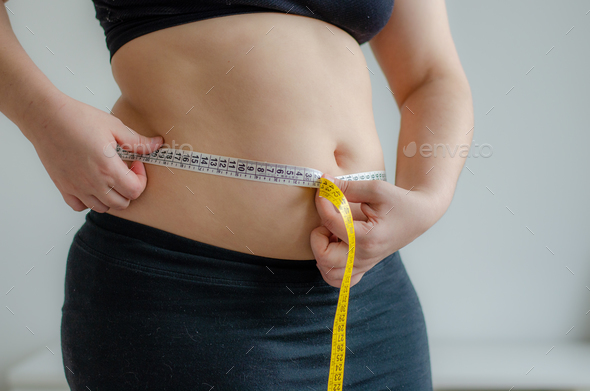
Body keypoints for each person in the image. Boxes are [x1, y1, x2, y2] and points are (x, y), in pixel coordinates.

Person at [0, 0, 473, 389]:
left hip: (370, 298)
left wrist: (430, 198)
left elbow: (431, 74)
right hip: (182, 296)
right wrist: (42, 118)